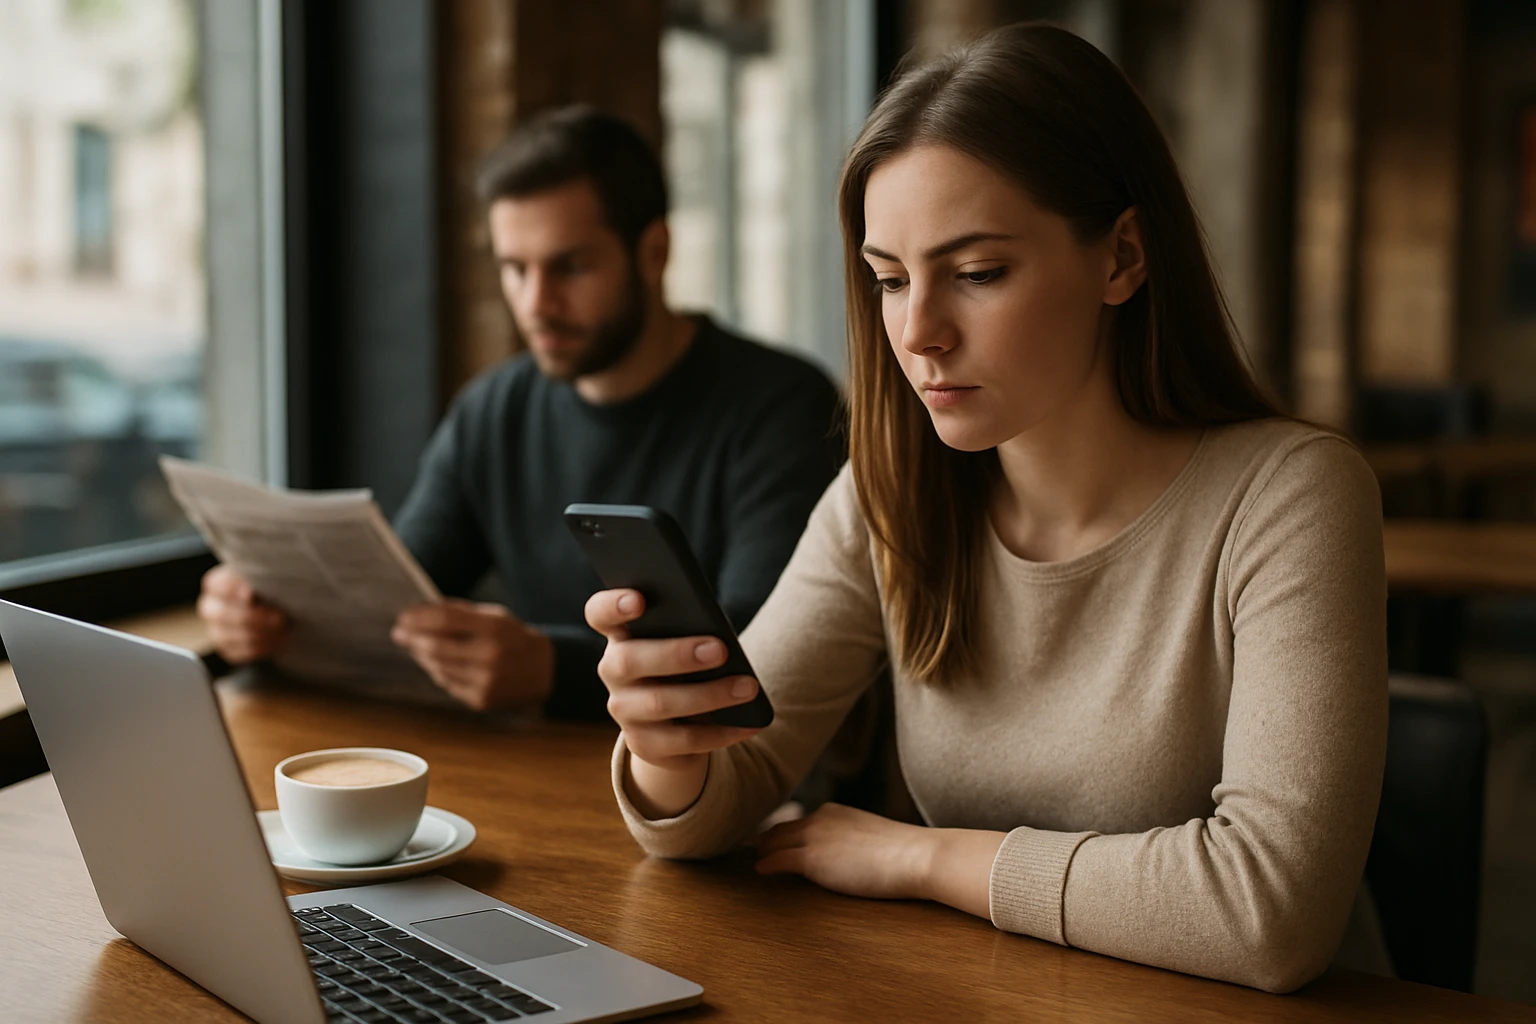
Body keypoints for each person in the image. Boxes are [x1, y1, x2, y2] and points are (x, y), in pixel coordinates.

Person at [585, 24, 1387, 994]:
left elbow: (1270, 913)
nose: (917, 332)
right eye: (888, 279)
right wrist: (669, 747)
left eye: (977, 273)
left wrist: (925, 858)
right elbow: (726, 800)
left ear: (1122, 257)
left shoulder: (1292, 494)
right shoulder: (889, 491)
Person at [197, 106, 844, 721]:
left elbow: (763, 652)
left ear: (654, 252)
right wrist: (266, 616)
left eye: (569, 266)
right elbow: (399, 603)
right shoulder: (492, 411)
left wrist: (550, 669)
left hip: (723, 785)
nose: (536, 302)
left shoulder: (784, 406)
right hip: (528, 770)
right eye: (515, 269)